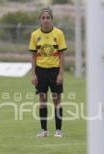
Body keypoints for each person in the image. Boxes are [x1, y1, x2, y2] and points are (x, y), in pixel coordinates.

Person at [29, 7, 67, 138]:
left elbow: (62, 55)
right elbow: (33, 55)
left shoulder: (59, 34)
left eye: (48, 18)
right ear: (40, 19)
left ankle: (58, 130)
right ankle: (44, 130)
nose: (46, 20)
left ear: (52, 19)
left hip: (54, 70)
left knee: (56, 99)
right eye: (43, 18)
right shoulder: (35, 35)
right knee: (42, 99)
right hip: (40, 71)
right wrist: (33, 73)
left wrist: (61, 73)